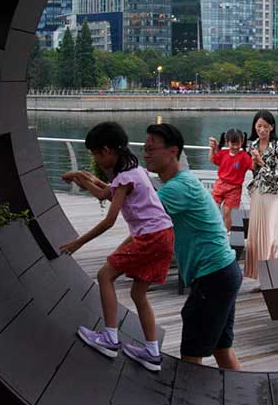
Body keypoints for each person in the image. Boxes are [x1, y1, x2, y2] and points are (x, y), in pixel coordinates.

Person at [61, 121, 173, 372]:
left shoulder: (124, 178)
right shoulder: (137, 171)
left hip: (150, 238)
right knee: (138, 294)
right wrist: (83, 177)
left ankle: (110, 338)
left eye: (94, 154)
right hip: (165, 236)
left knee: (104, 276)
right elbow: (107, 192)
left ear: (107, 150)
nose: (95, 159)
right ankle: (152, 352)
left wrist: (78, 243)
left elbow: (109, 218)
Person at [144, 123, 244, 370]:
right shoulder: (184, 181)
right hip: (224, 272)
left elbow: (141, 217)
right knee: (222, 349)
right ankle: (248, 404)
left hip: (213, 276)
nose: (146, 154)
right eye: (144, 149)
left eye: (151, 149)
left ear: (172, 151)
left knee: (191, 358)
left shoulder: (176, 189)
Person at [243, 108, 278, 279]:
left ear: (271, 127)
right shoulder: (252, 146)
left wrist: (261, 163)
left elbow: (277, 177)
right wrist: (254, 164)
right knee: (258, 239)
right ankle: (263, 279)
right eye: (258, 126)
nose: (261, 130)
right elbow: (252, 172)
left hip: (276, 195)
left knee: (275, 239)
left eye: (265, 126)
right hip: (258, 195)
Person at [207, 127, 252, 232]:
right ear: (227, 142)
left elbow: (252, 166)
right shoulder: (223, 153)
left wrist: (255, 156)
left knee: (227, 212)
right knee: (214, 207)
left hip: (234, 188)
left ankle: (226, 232)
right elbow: (212, 159)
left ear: (242, 142)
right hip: (221, 184)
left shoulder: (244, 156)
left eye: (238, 143)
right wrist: (212, 148)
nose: (236, 146)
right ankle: (214, 230)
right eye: (233, 143)